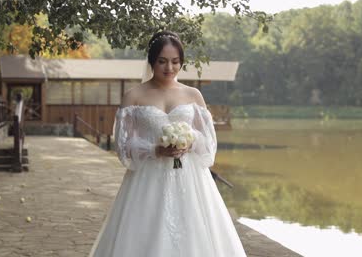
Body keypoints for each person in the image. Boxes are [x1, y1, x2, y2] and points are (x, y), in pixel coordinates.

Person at [88, 30, 247, 257]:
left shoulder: (193, 95)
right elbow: (123, 147)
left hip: (190, 179)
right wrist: (154, 149)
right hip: (147, 179)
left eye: (175, 62)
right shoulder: (134, 96)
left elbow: (208, 143)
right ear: (152, 61)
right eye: (162, 61)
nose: (169, 68)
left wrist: (189, 142)